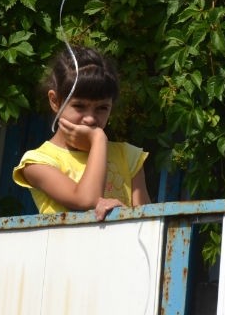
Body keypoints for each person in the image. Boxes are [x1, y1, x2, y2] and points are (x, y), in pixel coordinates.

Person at [12, 45, 150, 220]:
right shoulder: (38, 162)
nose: (90, 119)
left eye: (102, 108)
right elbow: (88, 200)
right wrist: (98, 139)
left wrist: (125, 214)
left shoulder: (128, 156)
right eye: (79, 106)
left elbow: (148, 223)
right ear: (55, 101)